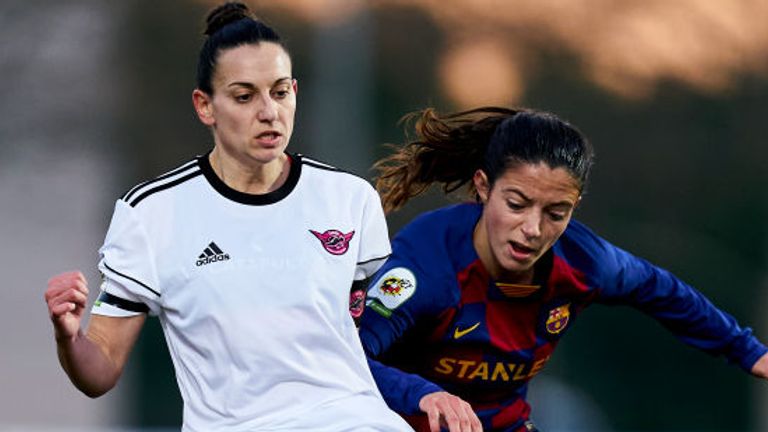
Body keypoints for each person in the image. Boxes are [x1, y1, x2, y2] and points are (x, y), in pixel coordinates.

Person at [43, 3, 414, 431]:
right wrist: (68, 336)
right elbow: (101, 369)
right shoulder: (151, 214)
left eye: (280, 92)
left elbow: (364, 342)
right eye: (244, 96)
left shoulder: (350, 199)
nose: (269, 112)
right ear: (205, 106)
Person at [358, 106, 768, 432]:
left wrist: (748, 351)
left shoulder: (585, 263)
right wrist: (423, 395)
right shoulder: (425, 269)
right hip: (395, 423)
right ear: (484, 187)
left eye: (556, 212)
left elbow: (663, 291)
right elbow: (345, 356)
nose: (533, 229)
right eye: (516, 205)